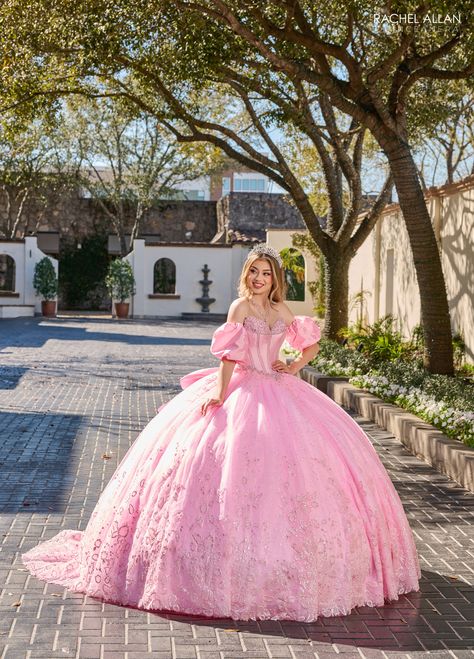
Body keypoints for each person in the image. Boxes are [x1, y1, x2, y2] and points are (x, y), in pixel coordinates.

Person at [22, 243, 420, 622]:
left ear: (276, 278)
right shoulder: (239, 306)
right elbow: (229, 356)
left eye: (266, 272)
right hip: (243, 386)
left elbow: (311, 345)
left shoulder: (283, 311)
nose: (260, 277)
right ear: (247, 275)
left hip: (279, 390)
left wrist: (293, 366)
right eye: (254, 271)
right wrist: (219, 392)